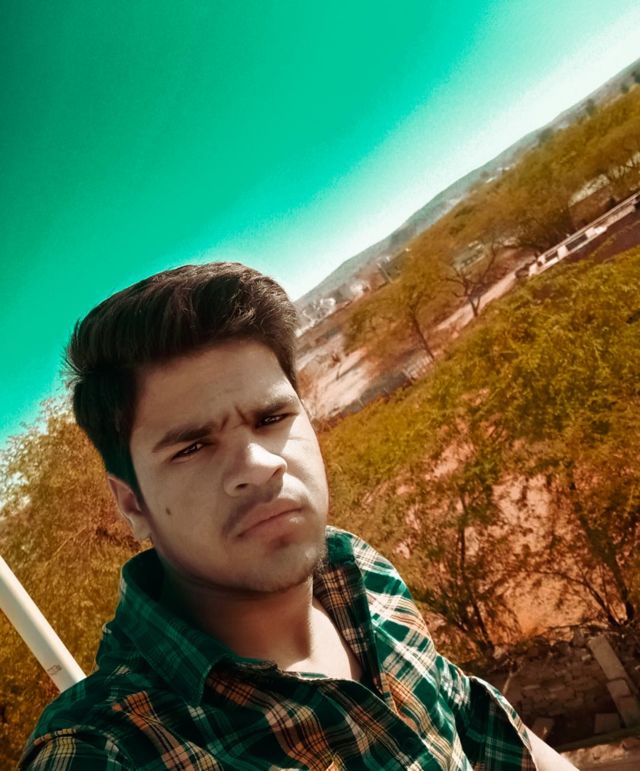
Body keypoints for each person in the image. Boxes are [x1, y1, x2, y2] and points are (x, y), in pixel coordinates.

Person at [20, 262, 575, 770]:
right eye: (192, 447)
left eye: (271, 418)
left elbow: (472, 719)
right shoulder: (110, 749)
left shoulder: (363, 577)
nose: (259, 465)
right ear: (132, 503)